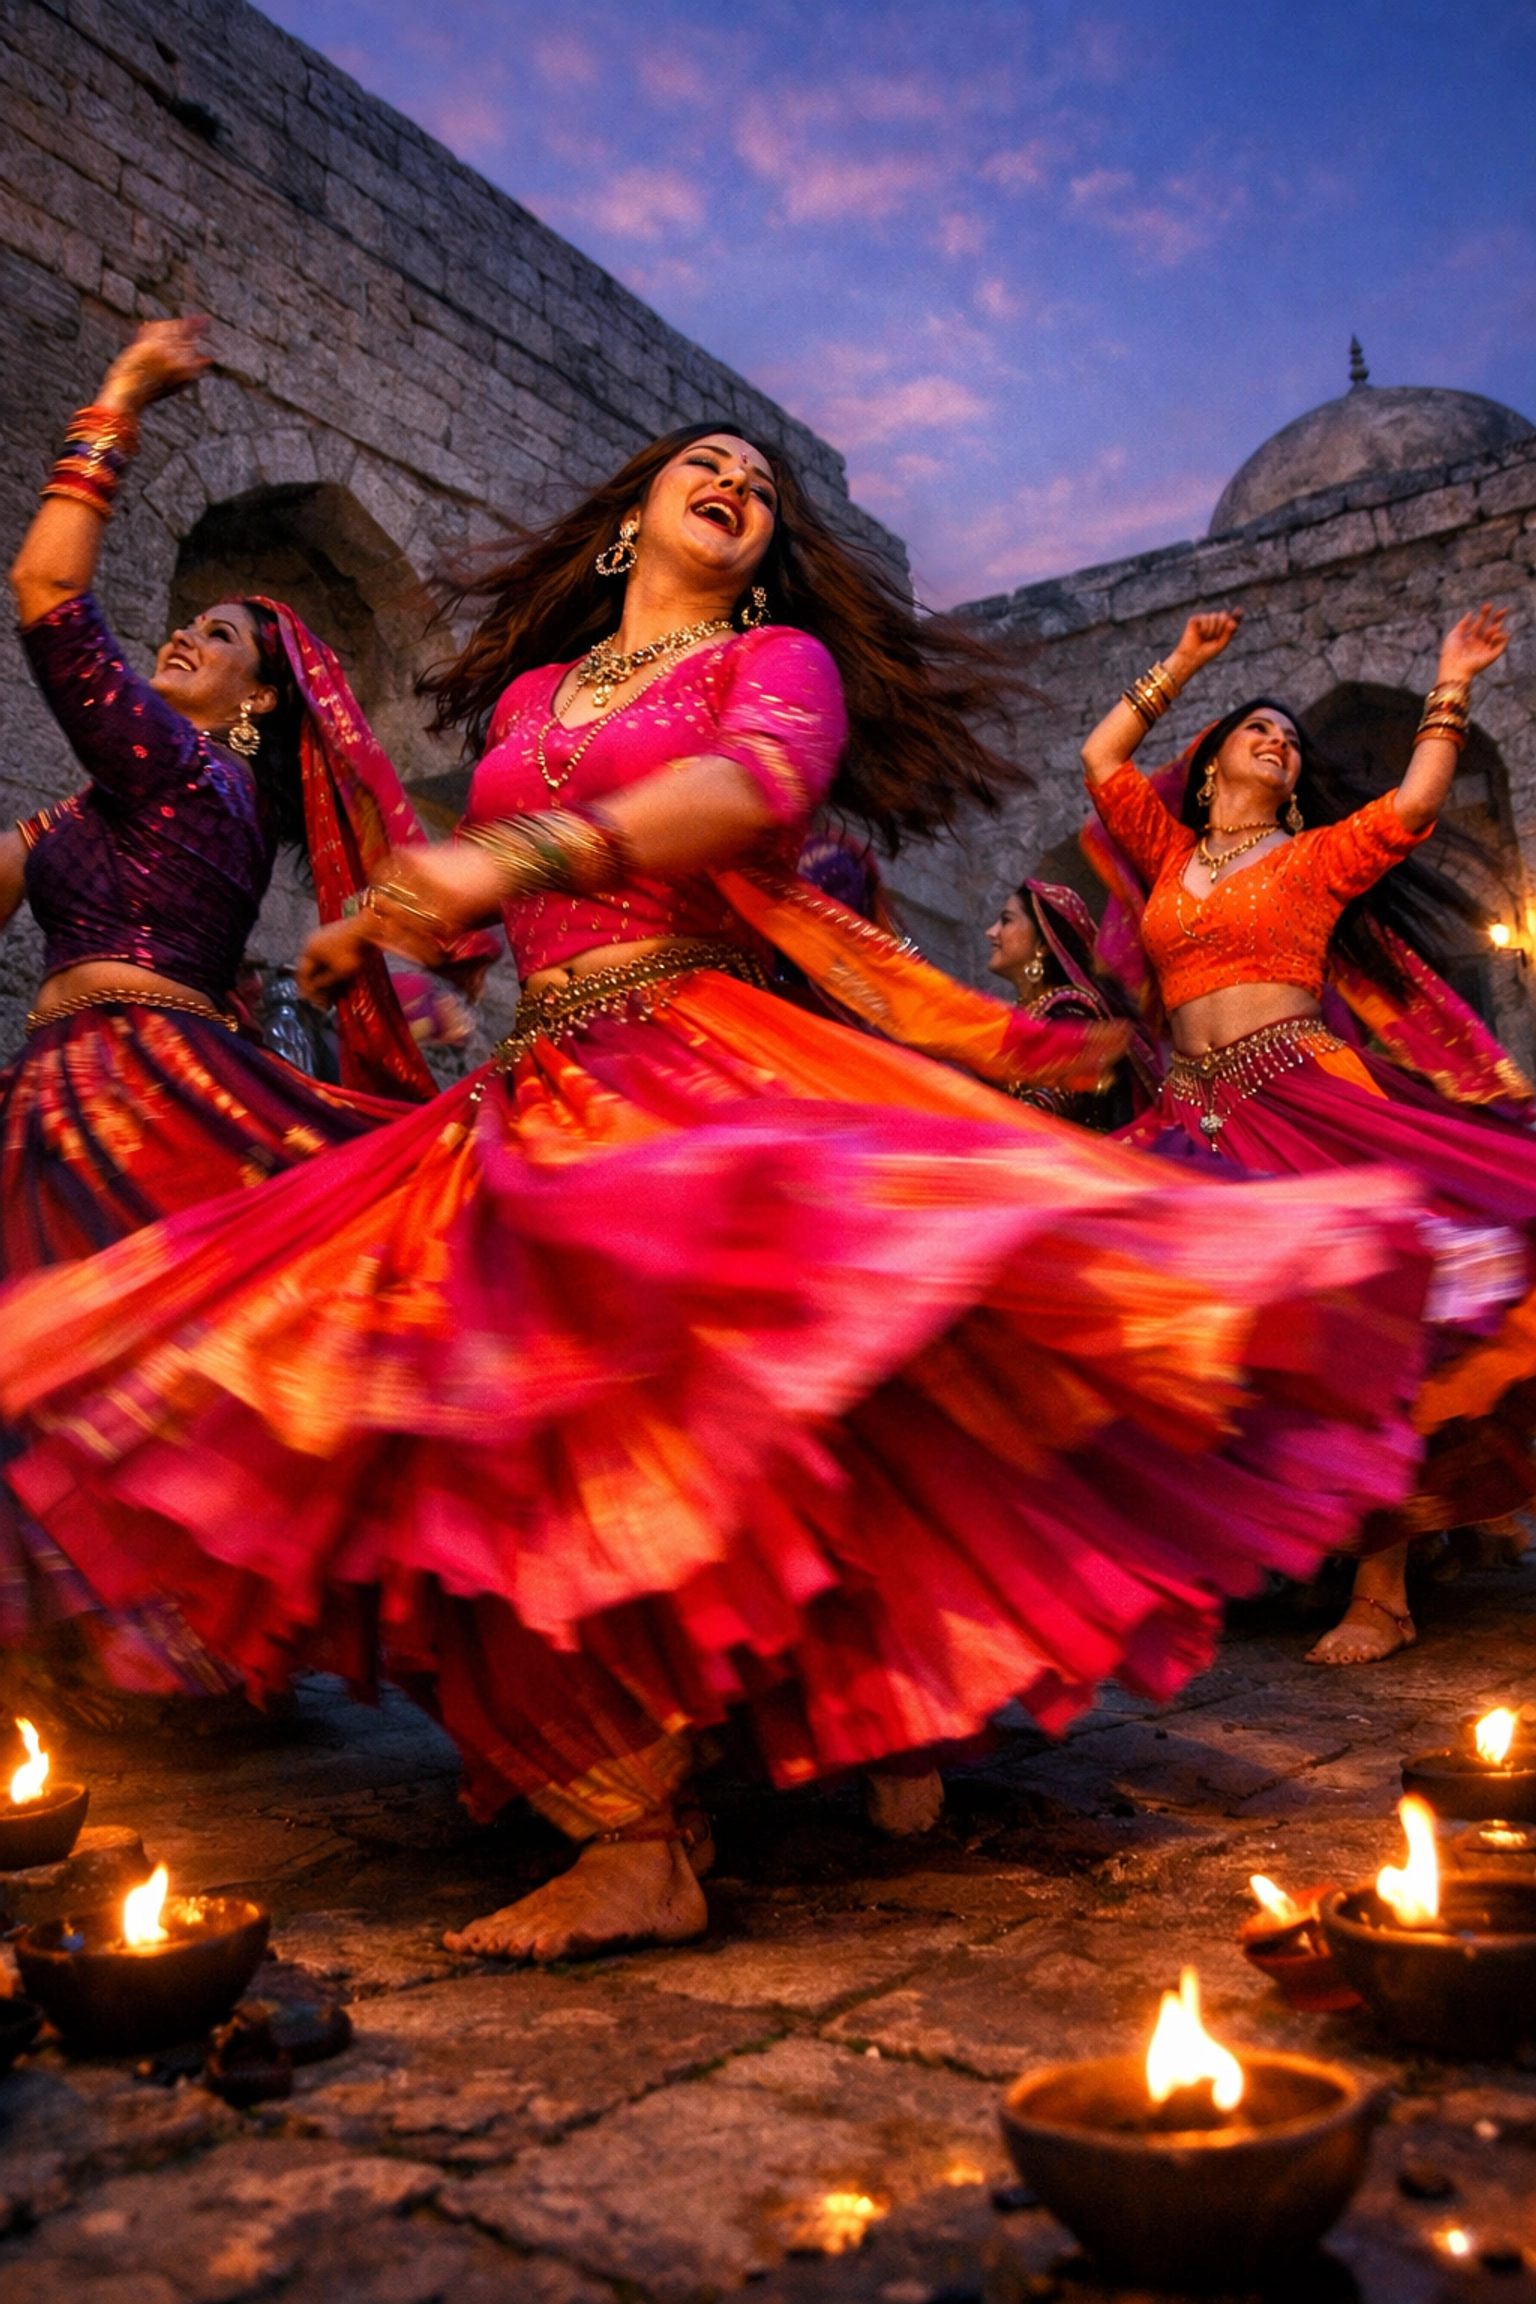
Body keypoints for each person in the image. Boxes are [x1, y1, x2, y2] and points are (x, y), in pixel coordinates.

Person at [0, 423, 1432, 1963]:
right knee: (466, 1417)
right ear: (634, 517)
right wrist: (399, 932)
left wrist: (516, 856)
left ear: (766, 555)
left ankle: (845, 1720)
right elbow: (478, 882)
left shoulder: (779, 663)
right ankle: (637, 1818)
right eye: (708, 462)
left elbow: (750, 792)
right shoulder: (538, 696)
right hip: (537, 1077)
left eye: (761, 483)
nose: (738, 482)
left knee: (752, 1401)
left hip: (692, 1051)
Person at [1, 317, 491, 1691]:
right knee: (90, 1379)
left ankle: (169, 1656)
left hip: (136, 1100)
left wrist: (118, 397)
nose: (181, 633)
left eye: (216, 635)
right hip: (61, 1097)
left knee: (110, 1370)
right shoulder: (97, 808)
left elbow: (48, 588)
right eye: (191, 619)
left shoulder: (187, 775)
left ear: (259, 705)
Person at [1080, 603, 1534, 1667]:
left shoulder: (1318, 855)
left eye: (1289, 738)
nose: (1278, 741)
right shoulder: (1168, 850)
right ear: (1210, 769)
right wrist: (1183, 661)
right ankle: (1224, 1555)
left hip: (1304, 1099)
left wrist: (1452, 678)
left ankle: (1383, 1593)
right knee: (1186, 1337)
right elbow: (1102, 757)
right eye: (1258, 729)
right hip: (1191, 1117)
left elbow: (1416, 800)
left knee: (1370, 1338)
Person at [985, 878, 1157, 1127]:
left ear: (1042, 944)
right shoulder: (1026, 1012)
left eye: (1006, 920)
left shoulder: (1073, 1014)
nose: (991, 932)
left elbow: (1042, 1109)